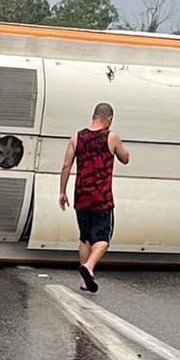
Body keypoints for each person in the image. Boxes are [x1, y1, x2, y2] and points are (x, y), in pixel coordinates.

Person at [59, 102, 131, 294]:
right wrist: (122, 148)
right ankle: (89, 267)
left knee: (85, 239)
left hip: (81, 194)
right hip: (102, 196)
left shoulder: (76, 137)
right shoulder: (111, 136)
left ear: (94, 116)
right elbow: (125, 159)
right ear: (109, 118)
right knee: (103, 238)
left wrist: (62, 191)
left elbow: (66, 166)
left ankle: (85, 280)